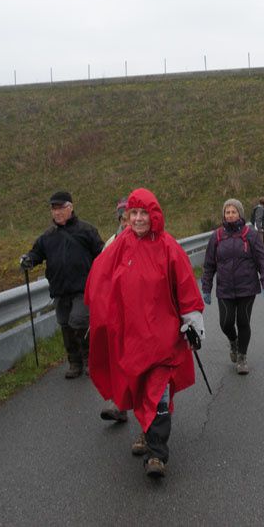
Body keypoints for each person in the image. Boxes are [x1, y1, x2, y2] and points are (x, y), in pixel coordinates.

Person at [85, 187, 205, 478]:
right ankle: (145, 433)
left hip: (163, 338)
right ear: (128, 216)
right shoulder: (119, 245)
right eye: (134, 213)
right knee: (137, 389)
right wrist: (99, 320)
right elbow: (100, 281)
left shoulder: (168, 247)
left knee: (158, 393)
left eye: (144, 213)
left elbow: (186, 285)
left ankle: (157, 455)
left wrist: (192, 321)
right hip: (131, 338)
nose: (139, 219)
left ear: (154, 215)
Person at [20, 190, 103, 379]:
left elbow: (101, 253)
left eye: (60, 208)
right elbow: (36, 254)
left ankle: (90, 359)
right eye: (53, 209)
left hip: (84, 288)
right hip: (60, 289)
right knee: (65, 324)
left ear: (70, 208)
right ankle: (74, 362)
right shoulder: (47, 237)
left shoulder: (86, 230)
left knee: (79, 320)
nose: (56, 212)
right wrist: (28, 260)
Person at [201, 198, 264, 375]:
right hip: (225, 288)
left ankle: (242, 357)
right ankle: (233, 342)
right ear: (224, 214)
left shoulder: (250, 235)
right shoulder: (217, 236)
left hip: (247, 288)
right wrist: (206, 288)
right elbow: (209, 265)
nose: (230, 215)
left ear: (239, 213)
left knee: (243, 321)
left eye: (233, 212)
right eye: (227, 212)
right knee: (225, 323)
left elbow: (263, 260)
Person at [99, 197, 129, 424]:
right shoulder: (111, 242)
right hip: (120, 313)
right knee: (119, 358)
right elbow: (103, 277)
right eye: (124, 217)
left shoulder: (154, 239)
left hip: (147, 313)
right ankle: (119, 403)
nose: (128, 220)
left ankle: (151, 418)